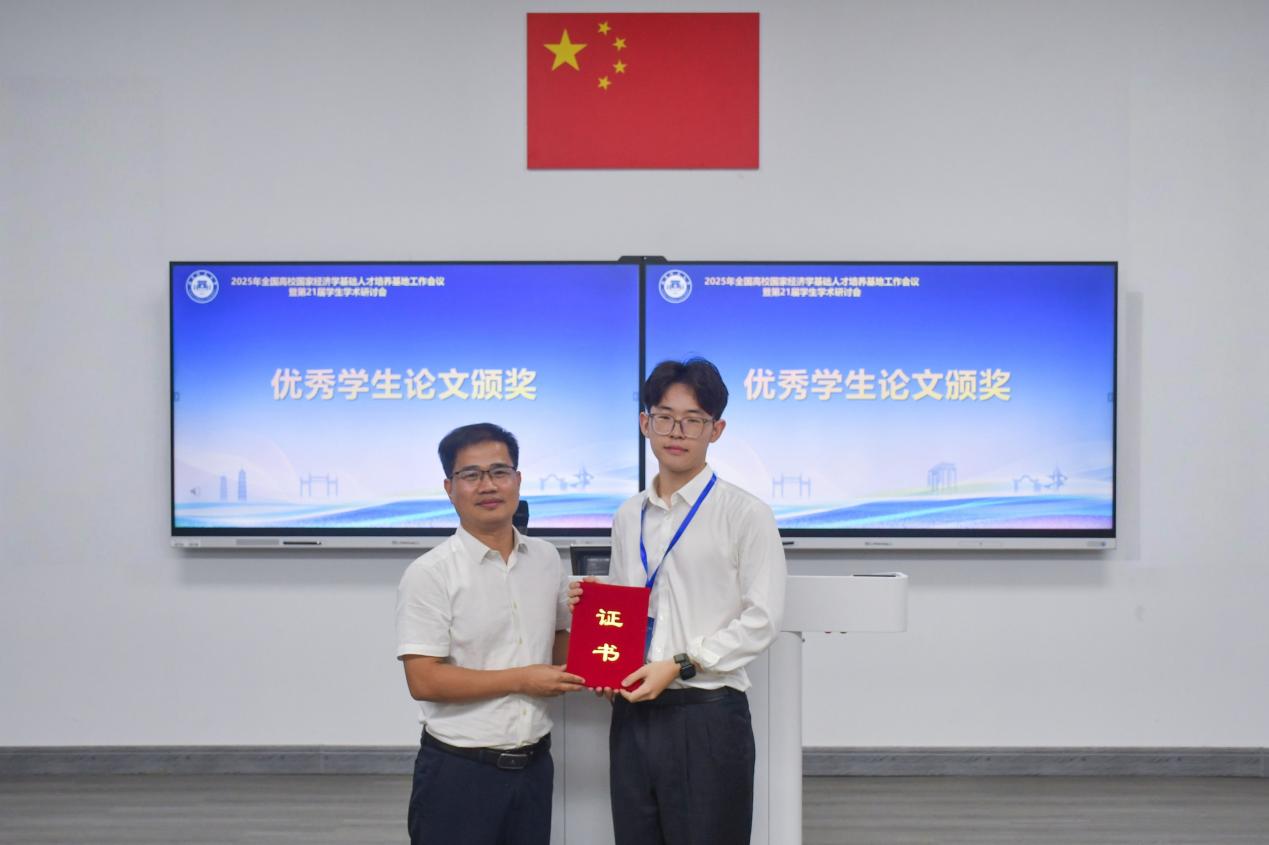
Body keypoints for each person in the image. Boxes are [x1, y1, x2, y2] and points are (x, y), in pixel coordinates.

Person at [573, 358, 787, 845]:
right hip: (633, 713)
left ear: (716, 430)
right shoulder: (629, 515)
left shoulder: (746, 514)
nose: (677, 432)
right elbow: (627, 605)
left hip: (707, 715)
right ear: (644, 422)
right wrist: (602, 650)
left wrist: (682, 663)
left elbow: (763, 619)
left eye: (693, 420)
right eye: (665, 417)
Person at [396, 422, 584, 845]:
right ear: (450, 488)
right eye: (471, 475)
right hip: (459, 773)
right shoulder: (430, 574)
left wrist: (599, 635)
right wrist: (522, 679)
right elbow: (424, 680)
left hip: (534, 768)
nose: (488, 485)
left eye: (500, 471)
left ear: (518, 479)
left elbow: (557, 643)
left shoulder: (546, 559)